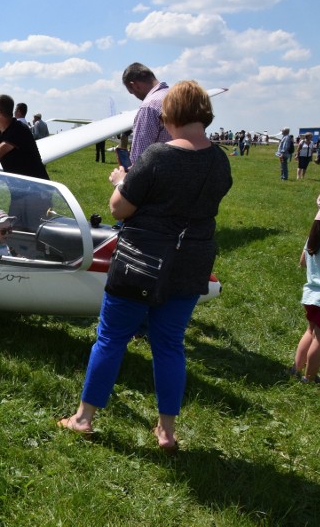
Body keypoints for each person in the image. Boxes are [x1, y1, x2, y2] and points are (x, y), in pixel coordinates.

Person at [58, 81, 233, 451]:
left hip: (141, 260)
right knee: (169, 345)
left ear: (172, 115)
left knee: (111, 338)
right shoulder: (220, 160)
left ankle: (83, 418)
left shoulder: (157, 156)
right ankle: (167, 432)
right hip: (191, 263)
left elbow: (119, 208)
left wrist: (122, 180)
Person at [0, 94, 50, 231]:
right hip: (19, 191)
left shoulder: (18, 129)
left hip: (37, 192)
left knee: (36, 233)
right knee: (15, 232)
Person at [291, 193, 320, 385]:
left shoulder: (315, 234)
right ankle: (309, 378)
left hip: (310, 294)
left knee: (310, 331)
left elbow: (302, 262)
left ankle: (296, 368)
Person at [122, 62, 172, 166]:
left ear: (134, 85)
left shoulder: (149, 106)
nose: (135, 96)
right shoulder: (177, 96)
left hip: (159, 175)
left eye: (132, 92)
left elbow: (139, 158)